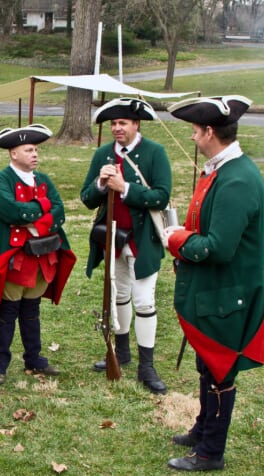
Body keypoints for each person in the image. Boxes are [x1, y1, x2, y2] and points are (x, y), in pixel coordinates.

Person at [164, 95, 264, 471]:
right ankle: (203, 428)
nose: (192, 136)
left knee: (220, 368)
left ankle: (211, 452)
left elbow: (219, 247)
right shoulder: (223, 170)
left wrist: (176, 239)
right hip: (221, 285)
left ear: (210, 132)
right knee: (207, 362)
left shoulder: (237, 179)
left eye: (195, 130)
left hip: (234, 287)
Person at [80, 98, 172, 394]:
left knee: (144, 301)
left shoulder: (155, 152)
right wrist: (100, 184)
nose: (117, 128)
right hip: (112, 239)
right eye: (113, 124)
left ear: (136, 124)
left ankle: (147, 366)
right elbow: (86, 198)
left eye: (123, 123)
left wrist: (126, 189)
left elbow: (161, 195)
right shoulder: (103, 154)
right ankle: (121, 352)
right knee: (119, 295)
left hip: (143, 239)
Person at [0, 124, 76, 385]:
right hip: (14, 259)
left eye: (35, 150)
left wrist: (34, 220)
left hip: (41, 257)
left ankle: (34, 358)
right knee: (7, 312)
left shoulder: (43, 180)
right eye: (28, 150)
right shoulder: (0, 180)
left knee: (32, 311)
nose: (35, 154)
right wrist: (41, 208)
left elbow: (59, 211)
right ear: (13, 153)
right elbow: (12, 211)